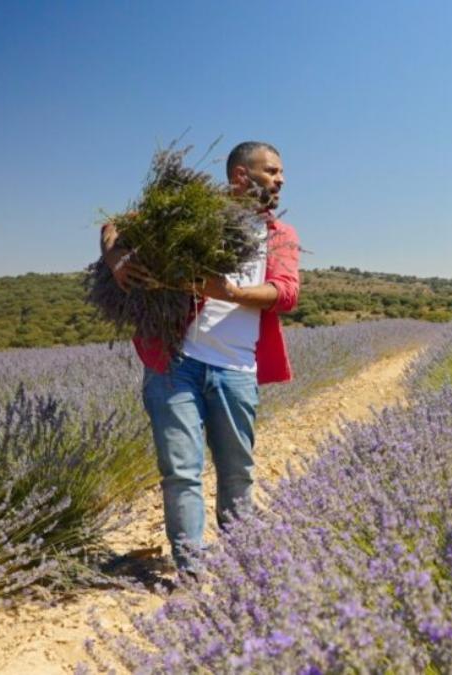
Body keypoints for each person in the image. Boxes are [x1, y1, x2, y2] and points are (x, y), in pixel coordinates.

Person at [99, 141, 300, 571]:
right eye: (272, 171)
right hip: (174, 363)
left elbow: (286, 292)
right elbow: (117, 224)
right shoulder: (192, 215)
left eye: (281, 173)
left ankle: (241, 564)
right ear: (241, 176)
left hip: (237, 369)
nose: (281, 179)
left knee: (237, 473)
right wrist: (116, 258)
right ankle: (191, 570)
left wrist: (231, 293)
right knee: (181, 472)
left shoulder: (280, 235)